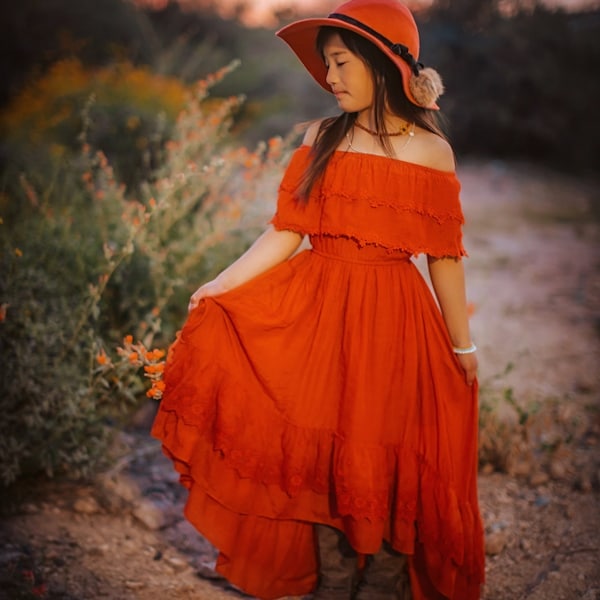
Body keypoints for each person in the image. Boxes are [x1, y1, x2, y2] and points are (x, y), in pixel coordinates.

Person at [151, 0, 486, 598]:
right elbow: (285, 230)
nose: (328, 77)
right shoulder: (323, 138)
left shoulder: (432, 152)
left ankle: (382, 581)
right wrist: (220, 285)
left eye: (338, 62)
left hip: (393, 321)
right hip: (318, 312)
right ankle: (333, 581)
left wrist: (463, 343)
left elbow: (445, 259)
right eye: (326, 65)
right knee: (320, 453)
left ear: (383, 63)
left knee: (381, 453)